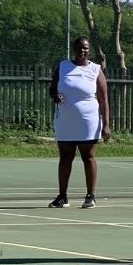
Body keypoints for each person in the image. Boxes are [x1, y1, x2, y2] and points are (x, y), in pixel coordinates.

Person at [48, 36, 110, 208]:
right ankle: (62, 197)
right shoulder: (62, 67)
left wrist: (106, 124)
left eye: (85, 48)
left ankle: (90, 196)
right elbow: (52, 88)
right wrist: (55, 95)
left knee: (88, 157)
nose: (82, 51)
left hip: (88, 121)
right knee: (65, 158)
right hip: (65, 121)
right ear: (73, 49)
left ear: (89, 50)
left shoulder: (95, 69)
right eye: (79, 47)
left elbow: (104, 99)